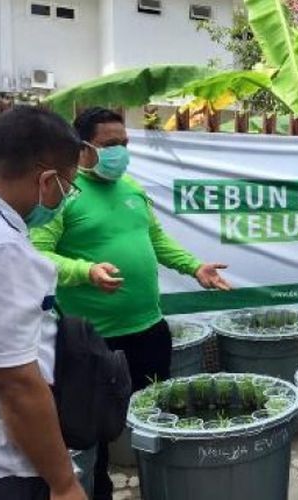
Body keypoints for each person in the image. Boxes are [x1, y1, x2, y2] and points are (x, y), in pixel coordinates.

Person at [30, 107, 231, 500]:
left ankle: (165, 488)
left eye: (124, 143)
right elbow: (38, 255)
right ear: (83, 148)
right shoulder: (64, 194)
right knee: (94, 435)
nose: (121, 152)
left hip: (149, 329)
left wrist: (194, 267)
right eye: (110, 145)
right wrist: (86, 271)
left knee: (160, 419)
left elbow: (155, 240)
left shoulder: (132, 188)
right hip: (93, 343)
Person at [0, 107, 86, 499]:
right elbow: (16, 384)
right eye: (67, 186)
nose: (62, 198)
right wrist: (63, 483)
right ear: (46, 180)